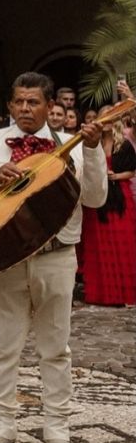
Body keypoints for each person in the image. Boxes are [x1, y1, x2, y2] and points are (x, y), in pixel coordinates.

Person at [0, 73, 109, 443]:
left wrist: (93, 150)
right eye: (19, 102)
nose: (25, 109)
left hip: (57, 257)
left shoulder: (72, 145)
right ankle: (2, 426)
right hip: (7, 257)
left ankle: (57, 431)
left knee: (56, 349)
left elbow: (95, 198)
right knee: (2, 347)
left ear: (49, 107)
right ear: (10, 106)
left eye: (34, 102)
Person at [80, 117, 136, 306]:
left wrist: (115, 176)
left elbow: (132, 171)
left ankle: (124, 293)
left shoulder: (124, 145)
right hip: (97, 197)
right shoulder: (89, 144)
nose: (106, 123)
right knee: (99, 242)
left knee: (123, 241)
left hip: (120, 196)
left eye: (110, 118)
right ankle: (102, 294)